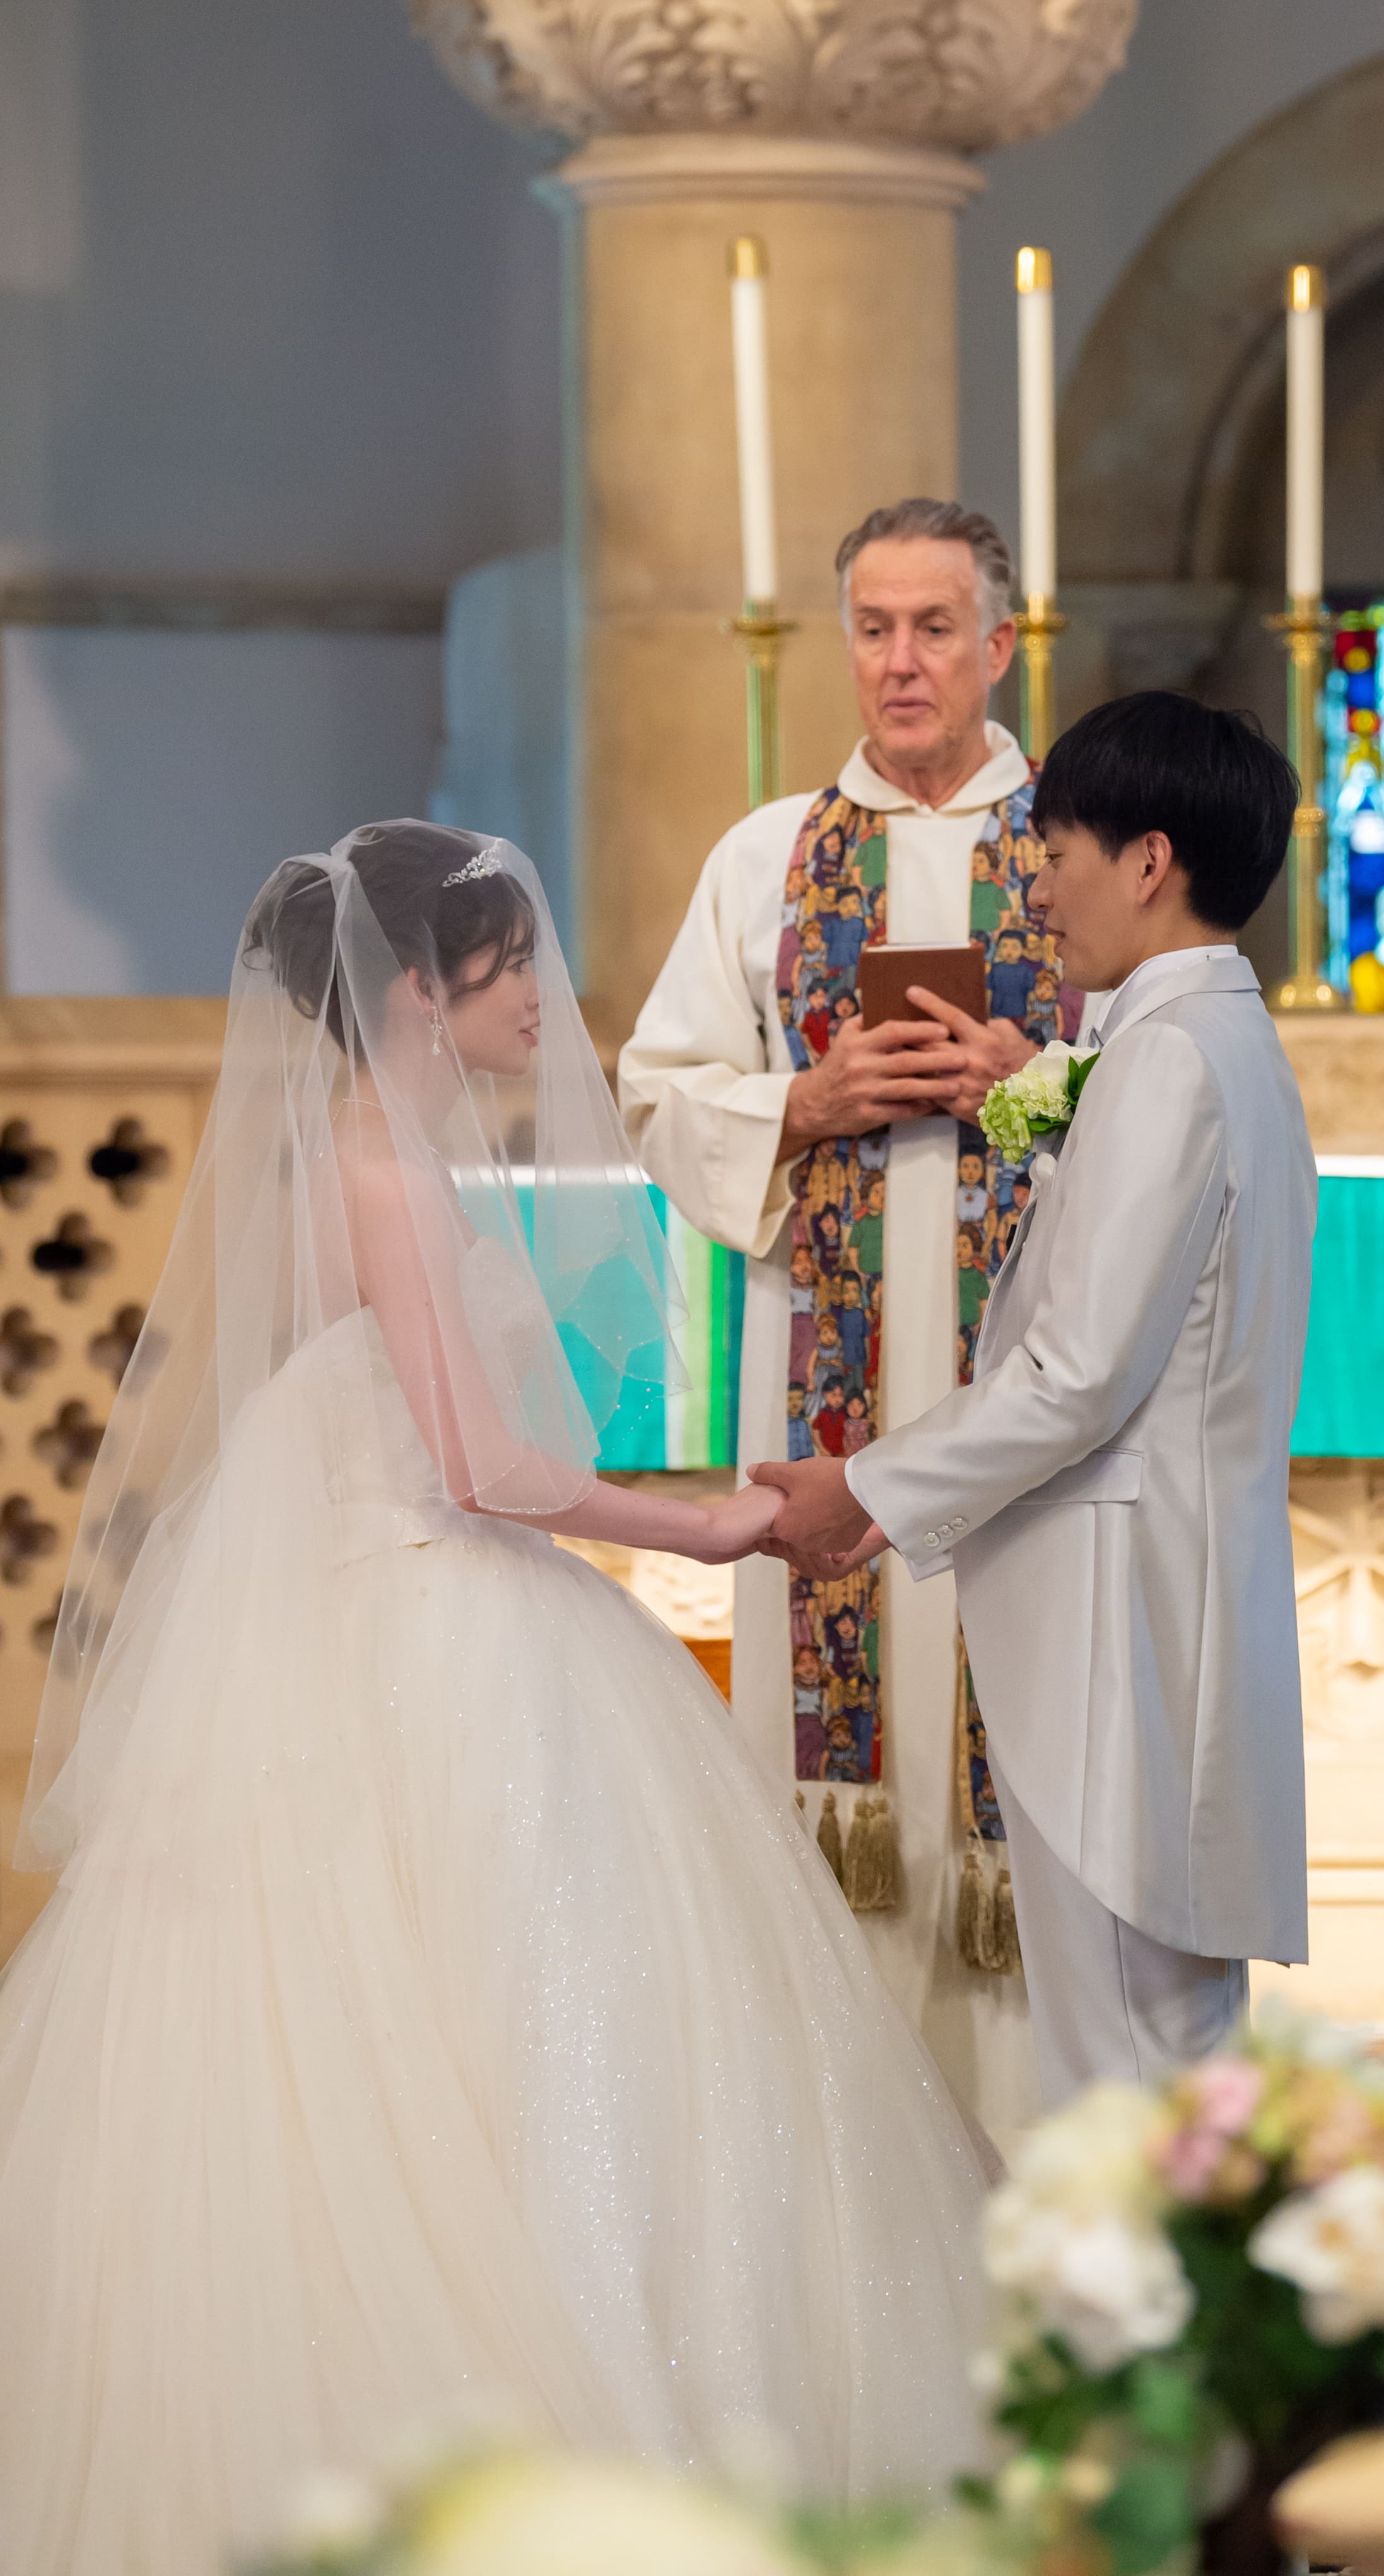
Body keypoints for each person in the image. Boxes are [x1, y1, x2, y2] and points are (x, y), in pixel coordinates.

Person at [0, 821, 990, 2576]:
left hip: (380, 1604)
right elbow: (479, 1469)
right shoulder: (383, 1170)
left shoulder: (368, 1154)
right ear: (413, 988)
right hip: (432, 1614)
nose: (541, 990)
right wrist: (713, 1524)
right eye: (506, 960)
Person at [754, 693, 1318, 2106]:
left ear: (1149, 862)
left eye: (1059, 853)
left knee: (1124, 2076)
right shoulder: (1207, 1040)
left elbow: (1076, 1375)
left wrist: (864, 1488)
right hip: (1157, 1597)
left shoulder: (1170, 1059)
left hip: (1118, 1627)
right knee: (1161, 2070)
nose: (1041, 889)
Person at [620, 498, 1064, 2128]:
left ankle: (1029, 2156)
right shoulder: (767, 859)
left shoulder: (1083, 848)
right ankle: (853, 2159)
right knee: (844, 1789)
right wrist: (803, 1102)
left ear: (999, 643)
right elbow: (658, 1090)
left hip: (1031, 1393)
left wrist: (1026, 1079)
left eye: (933, 627)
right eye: (872, 628)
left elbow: (1175, 1094)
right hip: (827, 1386)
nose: (899, 661)